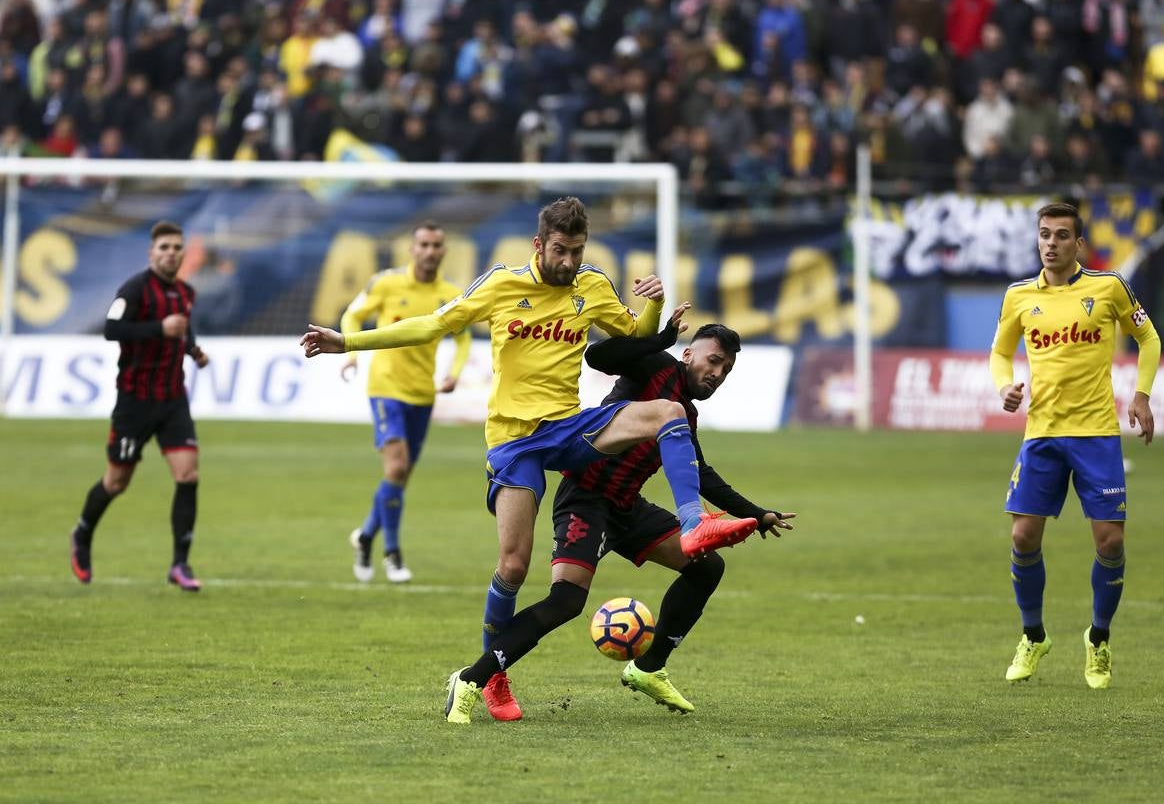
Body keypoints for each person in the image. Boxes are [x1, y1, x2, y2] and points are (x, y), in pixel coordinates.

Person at [300, 197, 762, 724]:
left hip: (568, 427)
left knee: (667, 412)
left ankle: (692, 523)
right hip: (514, 442)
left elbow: (633, 335)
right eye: (561, 251)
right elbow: (431, 326)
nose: (569, 262)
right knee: (513, 567)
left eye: (578, 251)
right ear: (540, 245)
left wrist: (654, 308)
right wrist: (348, 342)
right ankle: (488, 681)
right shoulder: (501, 284)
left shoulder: (591, 285)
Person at [450, 306, 796, 718]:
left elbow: (700, 473)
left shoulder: (687, 414)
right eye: (714, 361)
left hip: (627, 507)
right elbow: (599, 357)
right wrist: (661, 339)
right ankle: (472, 679)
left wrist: (757, 514)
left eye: (726, 370)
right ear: (690, 355)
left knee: (706, 567)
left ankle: (650, 668)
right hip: (586, 498)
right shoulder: (655, 367)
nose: (717, 374)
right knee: (566, 602)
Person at [990, 202, 1160, 689]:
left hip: (1097, 435)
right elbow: (1001, 352)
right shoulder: (1020, 296)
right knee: (1023, 537)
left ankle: (1099, 640)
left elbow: (1149, 341)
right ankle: (1033, 635)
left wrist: (1142, 396)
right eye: (1044, 234)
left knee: (1110, 541)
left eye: (1062, 236)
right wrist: (1004, 386)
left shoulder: (1109, 287)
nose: (1050, 243)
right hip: (1041, 434)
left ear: (1078, 244)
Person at [68, 221, 211, 592]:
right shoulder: (133, 290)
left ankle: (180, 564)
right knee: (116, 482)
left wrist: (193, 351)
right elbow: (112, 329)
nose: (171, 253)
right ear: (151, 253)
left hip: (173, 399)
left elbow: (183, 327)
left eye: (177, 247)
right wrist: (157, 329)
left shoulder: (186, 292)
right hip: (135, 402)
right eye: (164, 247)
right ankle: (82, 534)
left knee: (188, 475)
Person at [339, 221, 473, 583]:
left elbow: (462, 339)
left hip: (422, 393)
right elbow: (353, 314)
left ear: (443, 251)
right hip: (385, 387)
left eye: (436, 245)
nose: (430, 251)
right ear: (412, 249)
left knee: (398, 477)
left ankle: (365, 536)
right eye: (424, 244)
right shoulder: (386, 282)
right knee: (397, 468)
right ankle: (393, 554)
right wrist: (350, 354)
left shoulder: (451, 294)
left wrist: (455, 372)